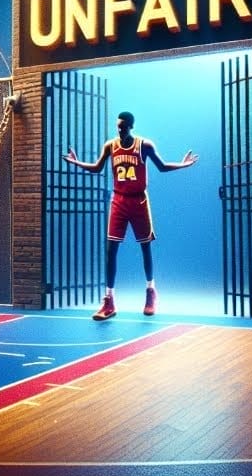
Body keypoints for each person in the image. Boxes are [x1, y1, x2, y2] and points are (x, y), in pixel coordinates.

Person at [62, 110, 198, 320]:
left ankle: (151, 292)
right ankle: (109, 301)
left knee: (145, 247)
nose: (119, 129)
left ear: (131, 127)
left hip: (139, 201)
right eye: (118, 126)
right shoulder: (110, 146)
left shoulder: (144, 145)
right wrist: (76, 162)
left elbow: (161, 167)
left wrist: (183, 164)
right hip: (119, 200)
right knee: (110, 250)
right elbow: (97, 168)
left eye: (123, 126)